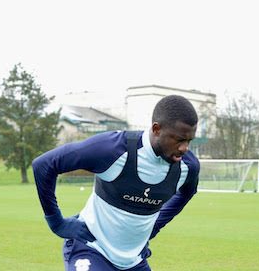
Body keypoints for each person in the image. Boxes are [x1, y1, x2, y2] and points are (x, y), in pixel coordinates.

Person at [33, 94, 200, 271]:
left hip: (134, 261)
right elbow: (44, 165)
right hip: (91, 249)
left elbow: (187, 193)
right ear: (157, 129)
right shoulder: (112, 149)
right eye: (180, 140)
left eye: (189, 141)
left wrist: (156, 225)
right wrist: (56, 222)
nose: (184, 148)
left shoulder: (188, 167)